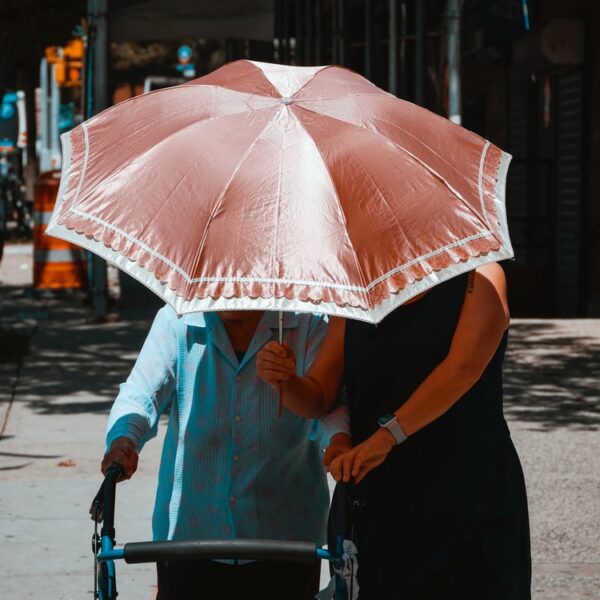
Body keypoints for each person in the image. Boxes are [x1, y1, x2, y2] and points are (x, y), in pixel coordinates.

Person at [257, 264, 532, 599]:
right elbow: (319, 395)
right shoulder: (357, 291)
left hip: (469, 494)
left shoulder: (481, 275)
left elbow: (464, 367)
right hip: (381, 503)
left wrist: (388, 436)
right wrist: (285, 381)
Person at [101, 307, 351, 600]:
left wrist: (338, 439)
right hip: (189, 539)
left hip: (285, 539)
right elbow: (141, 393)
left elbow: (328, 402)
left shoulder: (307, 324)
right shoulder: (177, 321)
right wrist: (124, 439)